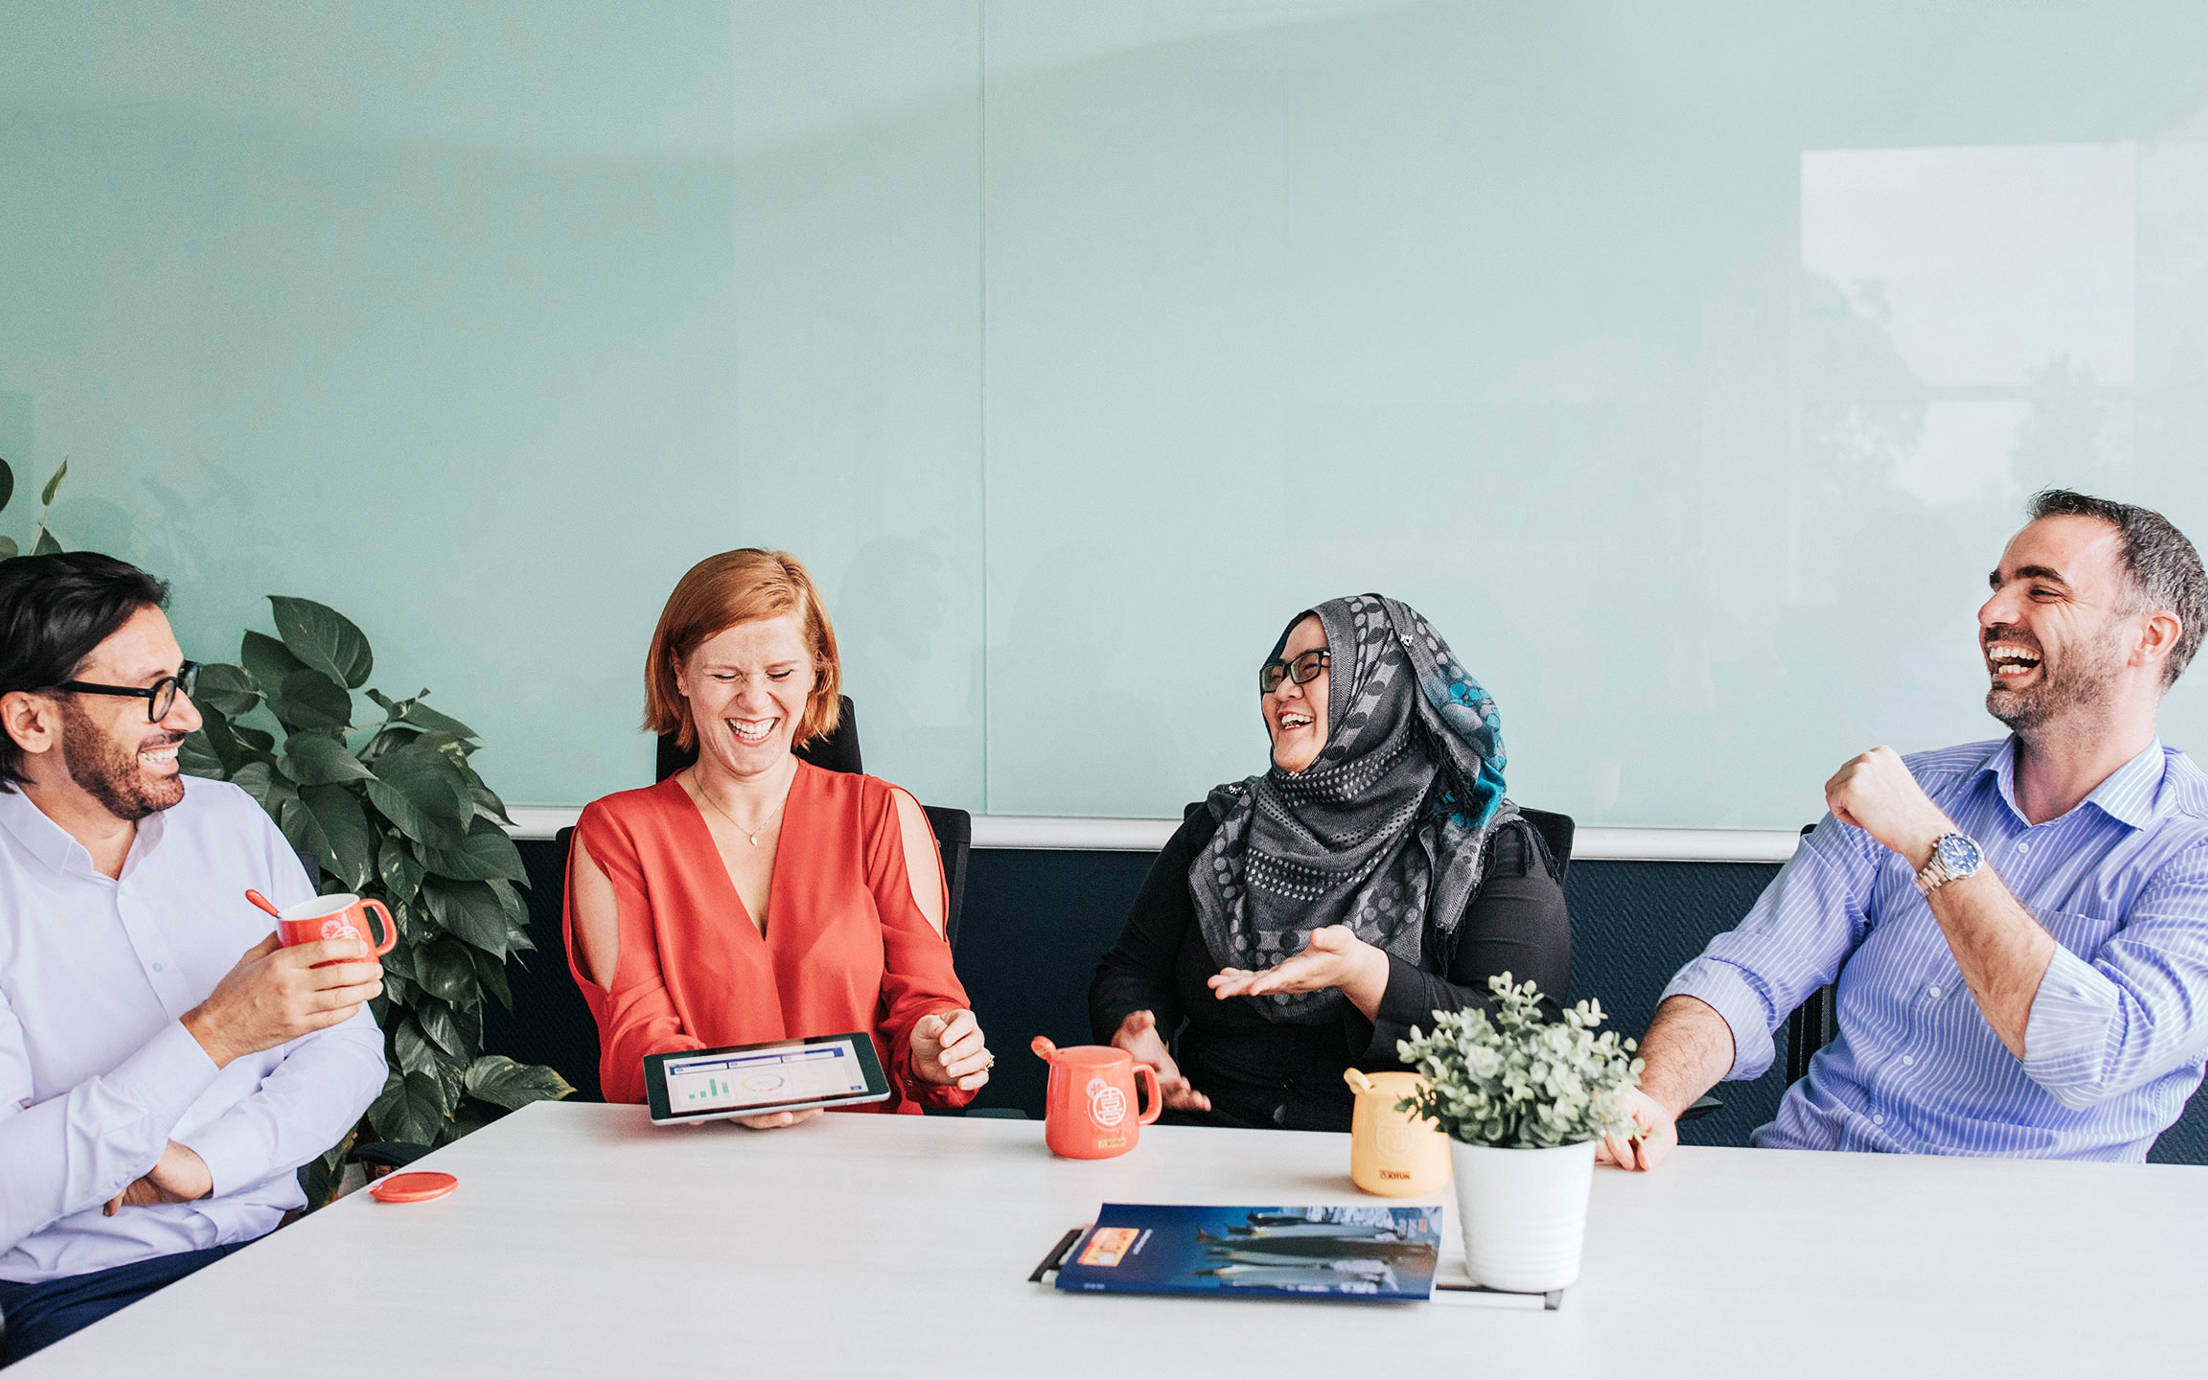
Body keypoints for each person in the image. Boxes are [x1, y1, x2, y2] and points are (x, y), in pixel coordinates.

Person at [1608, 489, 2208, 1170]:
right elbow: (1747, 974)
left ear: (2150, 637)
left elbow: (2095, 1056)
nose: (1991, 613)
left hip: (2019, 1242)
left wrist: (1933, 845)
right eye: (1998, 587)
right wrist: (1651, 1095)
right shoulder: (1914, 788)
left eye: (2041, 590)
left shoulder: (2189, 848)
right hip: (1804, 1185)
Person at [0, 553, 386, 1365]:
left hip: (282, 1251)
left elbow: (346, 1046)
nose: (188, 719)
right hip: (85, 1296)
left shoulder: (230, 822)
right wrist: (215, 1032)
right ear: (32, 722)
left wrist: (207, 1165)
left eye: (180, 681)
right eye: (151, 694)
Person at [1089, 594, 1570, 1132]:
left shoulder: (1482, 845)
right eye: (1275, 673)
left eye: (1312, 666)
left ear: (1382, 685)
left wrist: (1366, 976)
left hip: (1391, 1160)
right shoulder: (1221, 826)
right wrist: (1131, 1036)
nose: (1281, 691)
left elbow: (1523, 1037)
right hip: (1207, 1146)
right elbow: (1130, 972)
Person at [564, 549, 990, 1123]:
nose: (755, 700)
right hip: (694, 1170)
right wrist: (741, 1094)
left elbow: (927, 1000)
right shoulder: (616, 833)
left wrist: (935, 1047)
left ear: (819, 674)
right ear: (679, 674)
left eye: (781, 673)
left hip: (868, 1173)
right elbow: (638, 1042)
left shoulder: (884, 814)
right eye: (725, 675)